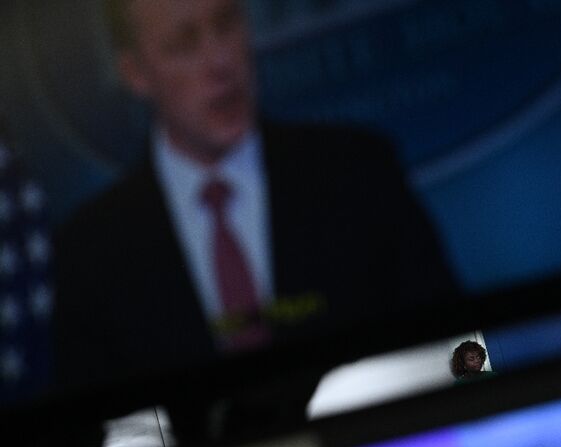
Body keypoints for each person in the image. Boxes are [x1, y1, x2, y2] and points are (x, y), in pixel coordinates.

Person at [52, 0, 457, 389]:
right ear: (135, 72)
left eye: (226, 24)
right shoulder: (91, 252)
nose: (220, 62)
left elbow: (463, 353)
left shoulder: (360, 172)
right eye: (184, 43)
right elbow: (101, 438)